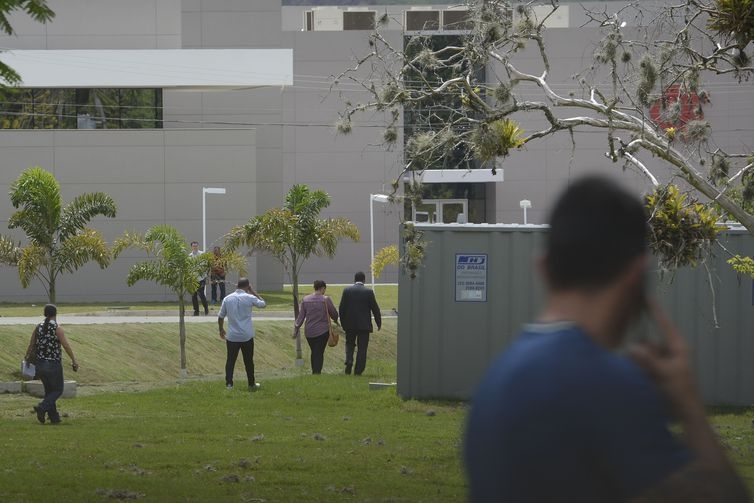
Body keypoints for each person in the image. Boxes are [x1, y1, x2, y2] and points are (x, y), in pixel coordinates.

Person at [464, 176, 749, 502]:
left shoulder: (493, 382)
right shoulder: (611, 385)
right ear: (636, 276)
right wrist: (689, 407)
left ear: (543, 268)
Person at [25, 304, 79, 424]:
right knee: (58, 390)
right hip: (53, 364)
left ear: (45, 314)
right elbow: (65, 345)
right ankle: (42, 407)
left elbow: (31, 344)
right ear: (55, 313)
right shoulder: (57, 328)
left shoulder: (38, 327)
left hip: (40, 364)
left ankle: (54, 418)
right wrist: (74, 360)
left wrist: (27, 358)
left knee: (49, 391)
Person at [217, 277, 266, 391]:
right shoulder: (249, 297)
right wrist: (254, 292)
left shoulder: (227, 298)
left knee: (230, 361)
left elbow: (220, 316)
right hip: (246, 336)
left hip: (232, 336)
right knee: (248, 361)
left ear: (236, 286)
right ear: (248, 286)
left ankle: (229, 384)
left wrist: (221, 329)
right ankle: (251, 383)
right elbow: (263, 304)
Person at [338, 271, 381, 375]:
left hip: (350, 325)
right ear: (364, 280)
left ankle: (349, 360)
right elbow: (375, 309)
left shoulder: (347, 291)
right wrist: (378, 322)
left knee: (349, 344)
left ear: (354, 279)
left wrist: (343, 323)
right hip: (364, 326)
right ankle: (358, 370)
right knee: (362, 348)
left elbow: (341, 308)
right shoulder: (369, 292)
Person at [294, 280, 339, 374]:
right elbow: (334, 313)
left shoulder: (305, 300)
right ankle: (316, 372)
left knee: (314, 351)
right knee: (318, 352)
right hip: (322, 331)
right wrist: (335, 319)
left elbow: (301, 317)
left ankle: (315, 371)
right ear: (323, 288)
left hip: (309, 331)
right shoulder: (325, 299)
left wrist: (296, 329)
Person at [189, 240, 209, 316]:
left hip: (201, 278)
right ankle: (196, 311)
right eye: (193, 246)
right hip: (193, 279)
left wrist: (205, 276)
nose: (195, 247)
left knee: (201, 294)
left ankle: (206, 309)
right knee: (193, 295)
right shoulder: (189, 256)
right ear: (191, 247)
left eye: (196, 246)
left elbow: (205, 265)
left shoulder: (202, 254)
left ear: (198, 246)